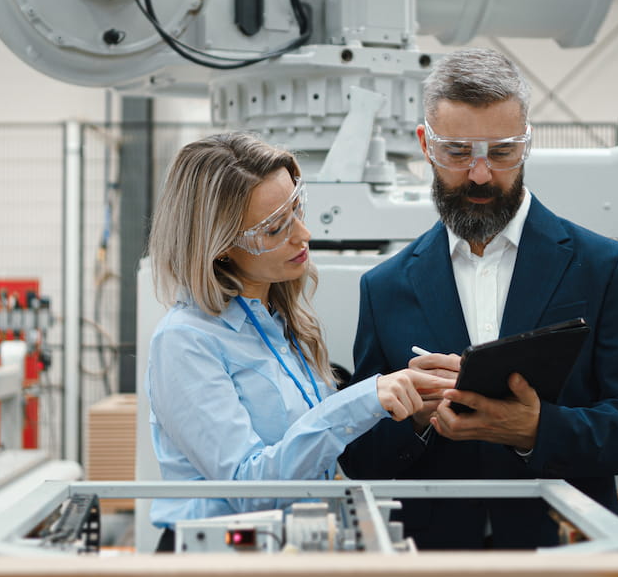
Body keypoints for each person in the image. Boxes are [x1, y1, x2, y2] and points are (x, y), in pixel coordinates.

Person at [339, 47, 618, 550]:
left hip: (567, 558)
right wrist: (415, 418)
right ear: (425, 144)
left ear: (527, 144)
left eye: (501, 152)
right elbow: (360, 456)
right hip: (435, 564)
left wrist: (537, 429)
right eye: (458, 152)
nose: (479, 174)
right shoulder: (385, 288)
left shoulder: (607, 269)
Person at [145, 131, 450, 550]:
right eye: (275, 228)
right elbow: (249, 487)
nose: (303, 234)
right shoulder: (185, 341)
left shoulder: (282, 323)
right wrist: (365, 398)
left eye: (297, 209)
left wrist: (410, 407)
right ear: (219, 247)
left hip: (280, 550)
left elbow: (315, 454)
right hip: (215, 560)